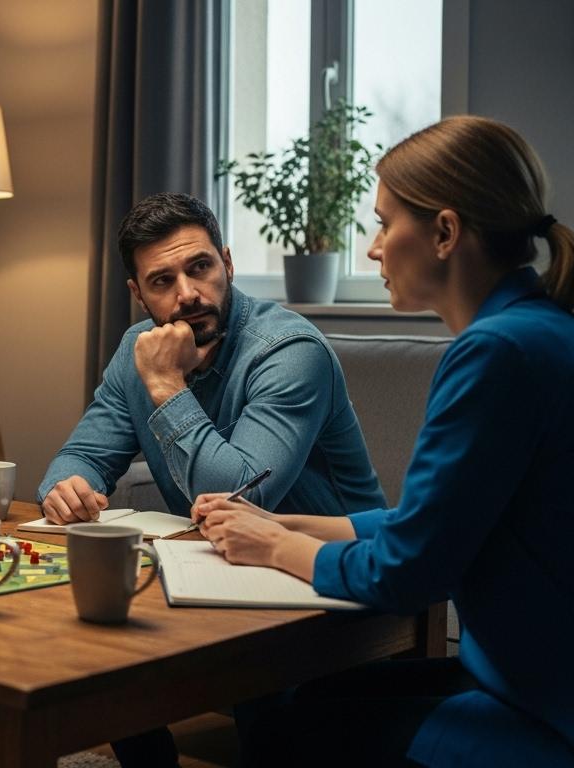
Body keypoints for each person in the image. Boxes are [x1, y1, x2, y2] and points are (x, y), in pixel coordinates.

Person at [193, 116, 574, 767]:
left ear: (445, 232)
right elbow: (446, 521)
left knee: (288, 733)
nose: (372, 247)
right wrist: (288, 523)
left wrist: (276, 546)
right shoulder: (538, 331)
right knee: (305, 703)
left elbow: (411, 571)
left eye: (386, 223)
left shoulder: (500, 352)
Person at [38, 192, 386, 767]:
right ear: (137, 293)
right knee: (94, 629)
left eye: (199, 267)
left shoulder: (289, 350)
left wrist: (167, 387)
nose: (187, 294)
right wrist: (66, 487)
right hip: (222, 567)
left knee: (263, 697)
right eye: (162, 280)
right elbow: (81, 455)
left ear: (226, 262)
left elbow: (244, 494)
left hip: (327, 582)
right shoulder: (138, 349)